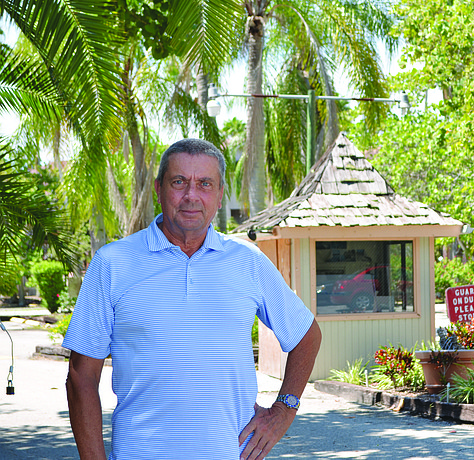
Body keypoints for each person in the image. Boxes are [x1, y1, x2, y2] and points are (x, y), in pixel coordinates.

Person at [63, 138, 322, 460]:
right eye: (179, 182)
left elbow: (306, 334)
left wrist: (285, 409)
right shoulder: (113, 262)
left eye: (204, 184)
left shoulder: (247, 261)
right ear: (159, 189)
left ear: (219, 195)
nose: (191, 196)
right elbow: (81, 377)